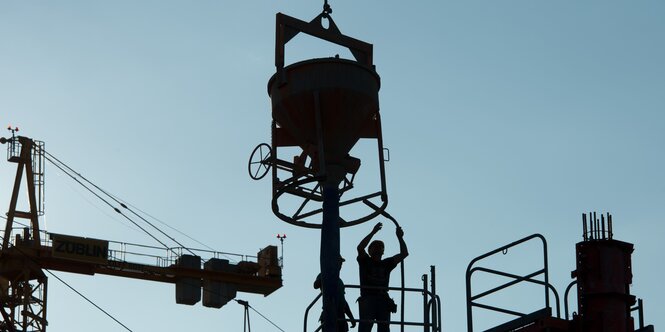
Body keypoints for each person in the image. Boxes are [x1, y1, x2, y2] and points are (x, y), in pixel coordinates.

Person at [356, 222, 408, 332]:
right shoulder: (365, 261)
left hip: (382, 298)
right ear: (369, 250)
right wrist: (373, 232)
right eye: (375, 246)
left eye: (380, 247)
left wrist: (400, 238)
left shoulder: (387, 263)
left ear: (383, 251)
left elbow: (404, 253)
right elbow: (360, 247)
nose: (378, 248)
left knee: (384, 328)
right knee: (365, 327)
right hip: (368, 297)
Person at [314, 256, 357, 331]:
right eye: (338, 262)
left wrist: (351, 317)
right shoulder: (323, 274)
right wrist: (326, 275)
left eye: (341, 263)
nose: (340, 265)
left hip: (341, 316)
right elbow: (315, 285)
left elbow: (343, 301)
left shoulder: (340, 282)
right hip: (329, 314)